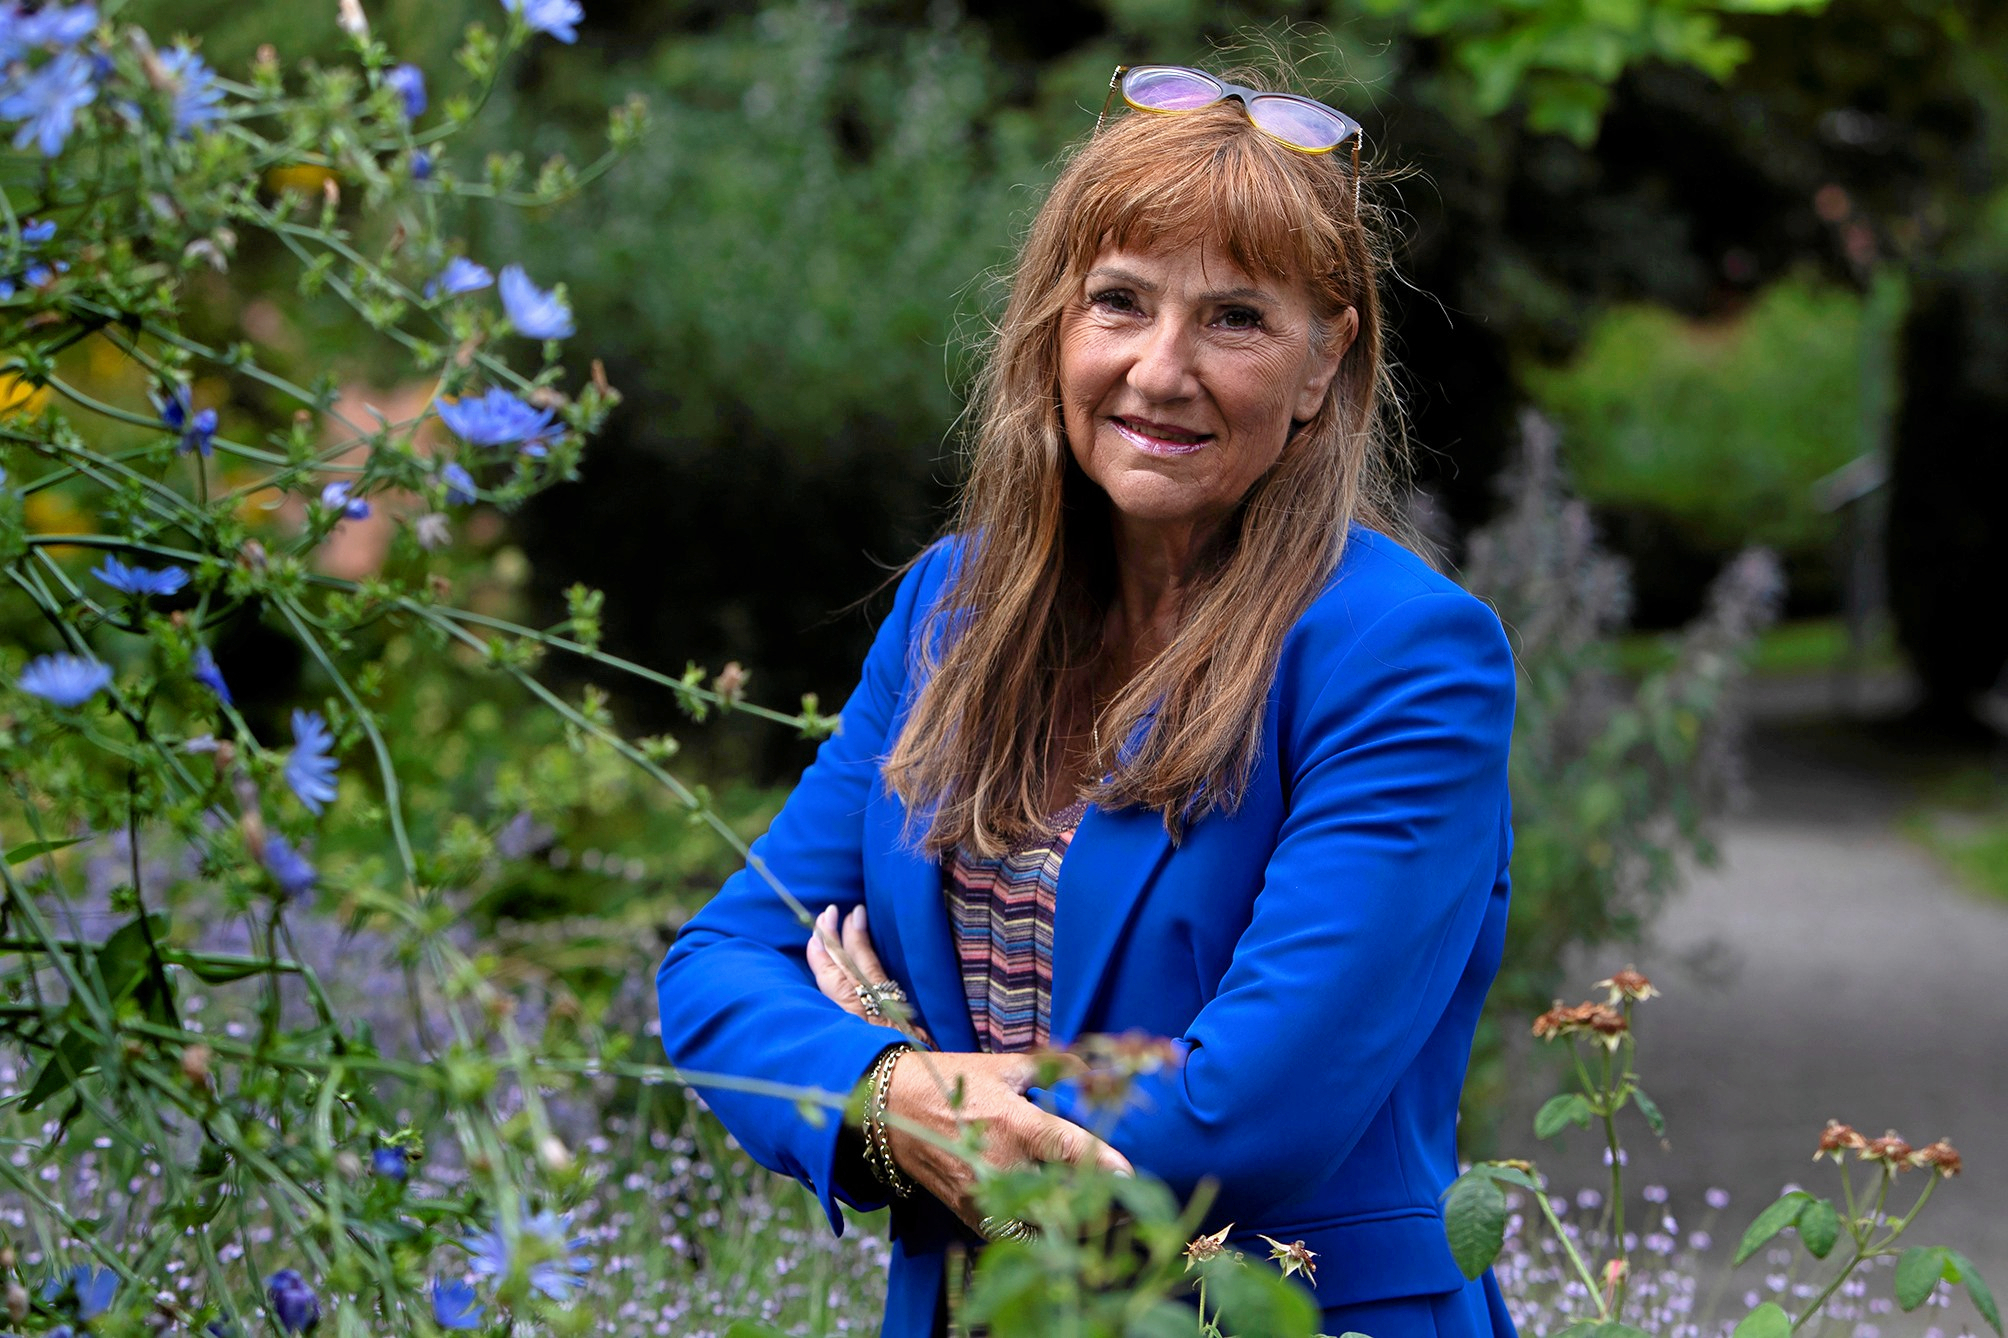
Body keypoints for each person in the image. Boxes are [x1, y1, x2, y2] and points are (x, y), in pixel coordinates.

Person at [656, 63, 1518, 1338]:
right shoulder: (956, 609)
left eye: (1234, 319)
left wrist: (903, 1083)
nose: (1158, 372)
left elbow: (1247, 1114)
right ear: (1054, 327)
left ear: (1325, 363)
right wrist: (877, 1085)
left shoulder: (1403, 657)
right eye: (1118, 302)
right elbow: (723, 968)